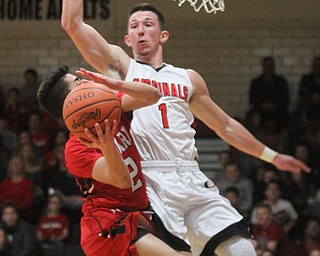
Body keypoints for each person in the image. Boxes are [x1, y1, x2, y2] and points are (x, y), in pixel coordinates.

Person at [61, 2, 311, 255]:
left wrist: (273, 156)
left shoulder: (188, 78)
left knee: (242, 248)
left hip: (191, 175)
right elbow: (73, 24)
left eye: (148, 25)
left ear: (163, 35)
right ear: (127, 39)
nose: (140, 31)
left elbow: (225, 126)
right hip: (151, 181)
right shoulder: (121, 67)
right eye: (134, 27)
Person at [37, 65, 191, 256]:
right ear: (71, 102)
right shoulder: (75, 149)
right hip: (108, 224)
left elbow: (153, 95)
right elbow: (122, 180)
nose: (85, 81)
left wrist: (115, 84)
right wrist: (107, 144)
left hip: (139, 212)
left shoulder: (108, 106)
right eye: (78, 82)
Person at [248, 56, 290, 131]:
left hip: (278, 111)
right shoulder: (256, 82)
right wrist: (263, 105)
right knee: (252, 116)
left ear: (273, 67)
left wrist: (274, 105)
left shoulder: (281, 82)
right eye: (266, 65)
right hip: (261, 111)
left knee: (286, 117)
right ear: (263, 67)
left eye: (270, 65)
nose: (268, 68)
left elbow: (285, 99)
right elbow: (252, 99)